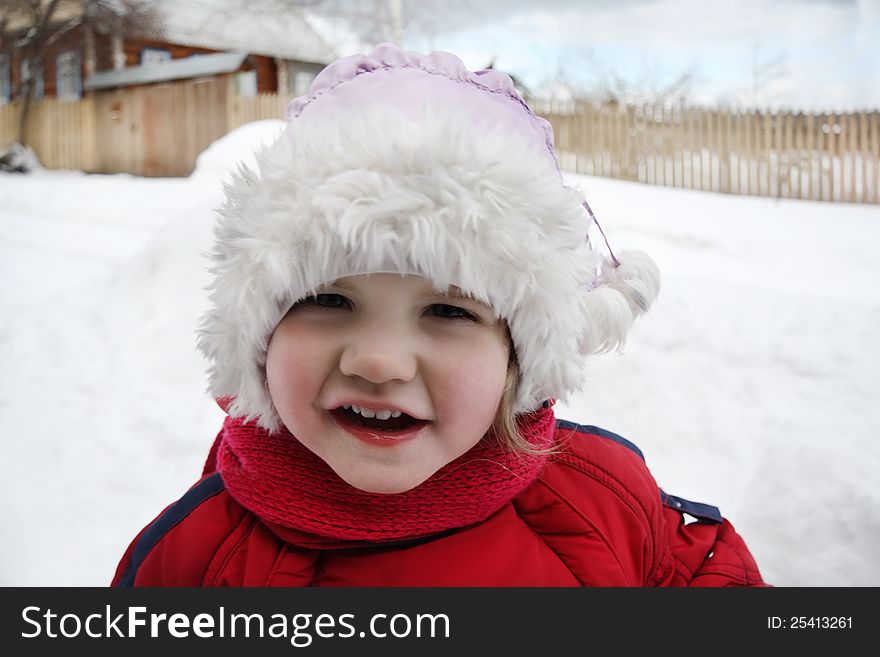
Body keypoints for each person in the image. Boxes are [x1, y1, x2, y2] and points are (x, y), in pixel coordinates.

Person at [112, 43, 766, 587]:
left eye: (448, 310)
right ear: (256, 335)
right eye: (328, 299)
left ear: (521, 354)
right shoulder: (193, 561)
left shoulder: (602, 502)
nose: (377, 359)